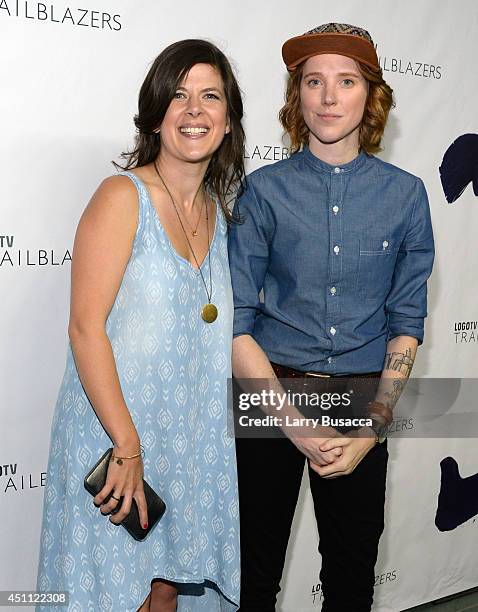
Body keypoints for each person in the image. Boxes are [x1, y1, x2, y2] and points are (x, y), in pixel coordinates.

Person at [228, 23, 434, 612]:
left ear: (370, 95)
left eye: (345, 81)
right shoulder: (262, 192)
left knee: (351, 575)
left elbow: (406, 320)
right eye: (313, 82)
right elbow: (236, 322)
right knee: (254, 574)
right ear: (298, 97)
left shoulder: (406, 195)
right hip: (269, 393)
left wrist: (375, 424)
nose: (328, 96)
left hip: (361, 400)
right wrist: (292, 421)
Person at [36, 39, 245, 612]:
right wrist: (127, 445)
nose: (195, 109)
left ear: (228, 122)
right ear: (156, 115)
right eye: (178, 95)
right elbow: (85, 328)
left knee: (165, 599)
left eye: (210, 96)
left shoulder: (223, 218)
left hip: (189, 447)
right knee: (110, 596)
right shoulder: (121, 197)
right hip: (119, 442)